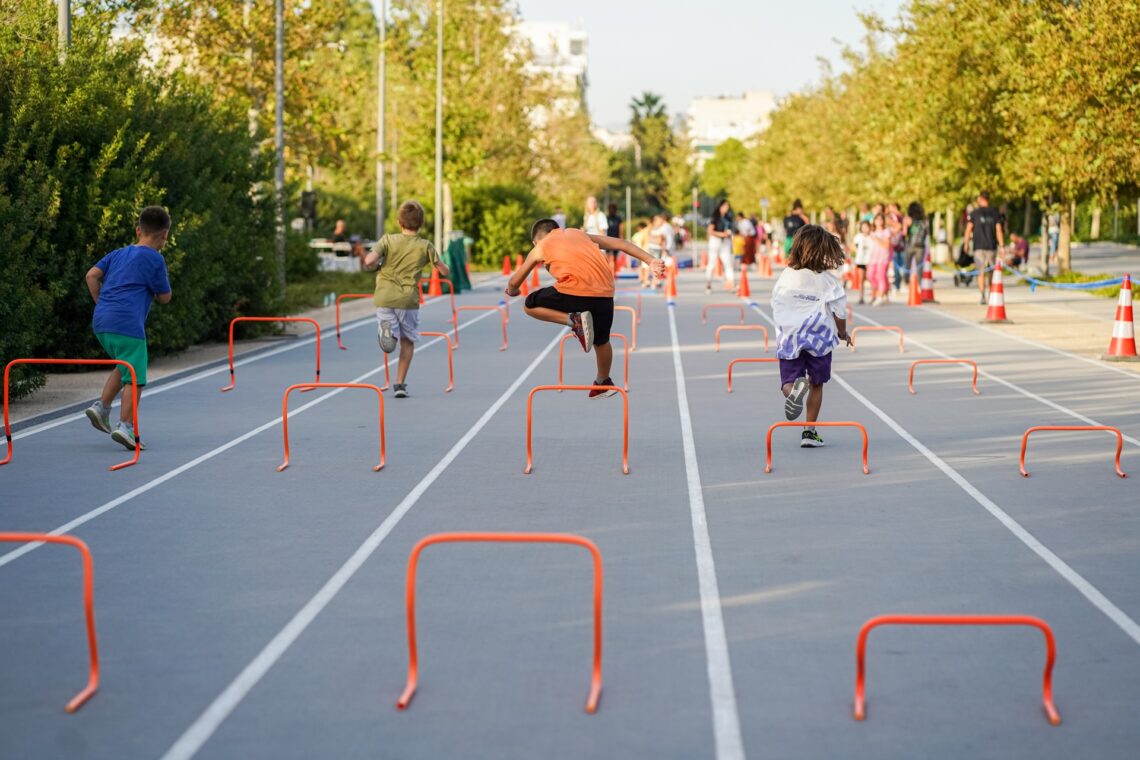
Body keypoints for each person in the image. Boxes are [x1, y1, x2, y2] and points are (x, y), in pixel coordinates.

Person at [508, 219, 664, 397]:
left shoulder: (541, 246)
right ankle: (603, 381)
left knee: (530, 304)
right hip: (605, 294)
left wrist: (512, 290)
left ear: (536, 241)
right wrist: (650, 260)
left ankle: (573, 321)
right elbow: (621, 243)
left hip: (575, 291)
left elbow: (514, 281)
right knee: (601, 340)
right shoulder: (580, 234)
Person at [83, 206, 173, 450]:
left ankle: (101, 407)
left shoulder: (117, 253)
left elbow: (91, 276)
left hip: (101, 321)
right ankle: (126, 426)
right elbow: (165, 297)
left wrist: (102, 303)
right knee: (136, 377)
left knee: (124, 365)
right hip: (127, 324)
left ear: (137, 230)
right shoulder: (155, 259)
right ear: (165, 235)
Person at [771, 224, 850, 448]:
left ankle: (793, 391)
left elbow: (776, 302)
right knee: (817, 383)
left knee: (788, 380)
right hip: (820, 338)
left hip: (790, 337)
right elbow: (840, 312)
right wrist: (843, 334)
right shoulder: (828, 281)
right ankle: (809, 431)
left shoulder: (786, 276)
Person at [364, 200, 449, 398]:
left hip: (384, 296)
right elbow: (444, 271)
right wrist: (441, 267)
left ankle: (387, 333)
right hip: (408, 299)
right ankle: (400, 384)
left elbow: (369, 261)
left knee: (391, 336)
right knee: (408, 341)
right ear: (421, 224)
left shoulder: (387, 240)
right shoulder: (425, 245)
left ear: (398, 222)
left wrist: (375, 265)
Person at [963, 191, 1005, 304]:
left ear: (981, 199)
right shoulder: (995, 213)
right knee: (991, 271)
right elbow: (999, 230)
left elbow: (968, 229)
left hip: (979, 247)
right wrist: (1001, 246)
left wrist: (966, 244)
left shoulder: (974, 213)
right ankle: (991, 294)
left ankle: (982, 295)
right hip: (991, 246)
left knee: (980, 272)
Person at [705, 198, 735, 293]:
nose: (726, 208)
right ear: (720, 206)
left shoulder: (728, 217)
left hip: (725, 242)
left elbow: (731, 229)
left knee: (728, 263)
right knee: (712, 263)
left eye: (727, 206)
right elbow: (710, 231)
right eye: (725, 206)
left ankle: (731, 283)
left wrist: (729, 235)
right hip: (715, 241)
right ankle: (708, 284)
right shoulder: (715, 217)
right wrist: (721, 234)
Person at [868, 213, 892, 305]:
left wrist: (877, 239)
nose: (879, 221)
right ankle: (880, 291)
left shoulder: (886, 232)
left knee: (881, 276)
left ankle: (880, 296)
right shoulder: (872, 232)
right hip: (873, 258)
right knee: (870, 275)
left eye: (881, 219)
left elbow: (887, 245)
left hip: (883, 258)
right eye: (877, 219)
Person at [903, 201, 928, 283]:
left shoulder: (908, 219)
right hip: (920, 245)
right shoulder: (924, 219)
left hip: (910, 244)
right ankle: (920, 283)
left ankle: (907, 281)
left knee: (907, 265)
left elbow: (905, 233)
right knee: (919, 266)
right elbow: (927, 232)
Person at [851, 219, 873, 304]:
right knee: (861, 279)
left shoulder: (872, 236)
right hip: (860, 260)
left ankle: (873, 295)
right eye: (863, 227)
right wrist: (856, 251)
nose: (865, 229)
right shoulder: (858, 236)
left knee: (870, 278)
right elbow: (853, 246)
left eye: (866, 227)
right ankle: (861, 297)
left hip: (869, 261)